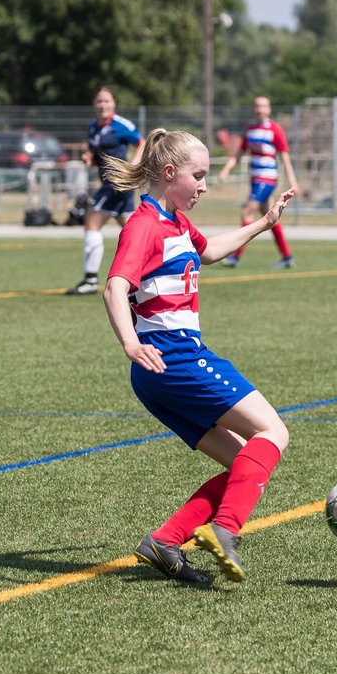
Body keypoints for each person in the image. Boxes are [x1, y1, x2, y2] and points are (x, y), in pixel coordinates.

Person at [101, 128, 295, 584]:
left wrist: (264, 223)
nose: (205, 186)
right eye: (199, 176)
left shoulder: (176, 223)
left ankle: (166, 540)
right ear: (170, 173)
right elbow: (115, 286)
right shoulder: (145, 223)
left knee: (246, 460)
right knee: (274, 432)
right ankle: (225, 530)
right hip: (174, 359)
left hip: (160, 371)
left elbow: (209, 253)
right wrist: (130, 343)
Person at [67, 86, 145, 295]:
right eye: (99, 101)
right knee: (134, 231)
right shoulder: (93, 127)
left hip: (117, 182)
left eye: (107, 101)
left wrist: (133, 167)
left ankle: (90, 279)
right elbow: (97, 155)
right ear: (94, 104)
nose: (103, 105)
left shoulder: (121, 125)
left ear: (114, 104)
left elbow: (142, 143)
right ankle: (153, 270)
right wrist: (89, 159)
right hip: (108, 182)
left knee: (91, 222)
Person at [216, 95, 298, 269]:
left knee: (247, 212)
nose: (260, 109)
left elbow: (284, 156)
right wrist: (226, 169)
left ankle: (235, 257)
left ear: (269, 109)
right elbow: (239, 154)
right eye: (257, 106)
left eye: (264, 106)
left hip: (267, 179)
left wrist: (293, 181)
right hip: (255, 180)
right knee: (270, 217)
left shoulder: (275, 129)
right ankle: (287, 257)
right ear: (254, 108)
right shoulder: (251, 129)